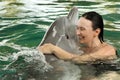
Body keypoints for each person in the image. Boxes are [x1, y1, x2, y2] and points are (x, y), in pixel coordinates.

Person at [39, 11, 118, 63]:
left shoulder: (108, 50)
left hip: (108, 72)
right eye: (77, 28)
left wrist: (53, 49)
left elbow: (79, 60)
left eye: (82, 29)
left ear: (96, 32)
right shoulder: (81, 47)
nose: (77, 33)